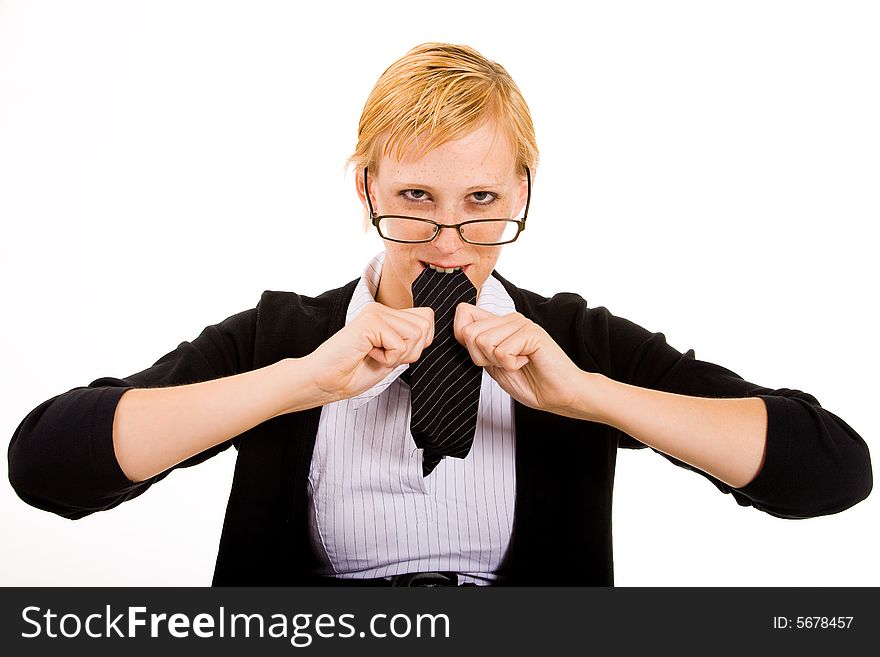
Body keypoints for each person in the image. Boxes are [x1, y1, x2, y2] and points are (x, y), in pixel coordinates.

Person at [8, 42, 872, 587]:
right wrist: (296, 382)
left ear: (523, 193)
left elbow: (830, 471)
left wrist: (594, 398)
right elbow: (47, 464)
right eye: (415, 197)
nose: (450, 241)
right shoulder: (283, 337)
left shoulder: (576, 341)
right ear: (366, 189)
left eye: (484, 200)